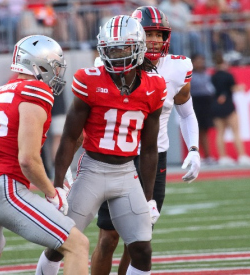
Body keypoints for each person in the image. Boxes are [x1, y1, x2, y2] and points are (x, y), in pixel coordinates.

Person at [35, 15, 166, 275]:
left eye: (123, 48)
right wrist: (58, 187)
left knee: (142, 250)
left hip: (127, 173)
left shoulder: (154, 86)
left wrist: (149, 198)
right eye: (111, 48)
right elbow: (70, 137)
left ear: (137, 48)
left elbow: (150, 149)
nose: (116, 54)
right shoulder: (89, 80)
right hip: (92, 171)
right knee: (59, 242)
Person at [0, 35, 89, 275]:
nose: (57, 73)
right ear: (39, 65)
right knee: (78, 245)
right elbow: (27, 159)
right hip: (3, 190)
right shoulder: (36, 90)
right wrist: (52, 193)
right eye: (55, 67)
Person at [89, 6, 202, 275]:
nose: (154, 40)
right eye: (148, 33)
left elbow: (186, 113)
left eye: (159, 34)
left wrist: (194, 149)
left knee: (138, 242)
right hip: (117, 156)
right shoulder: (111, 62)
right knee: (108, 237)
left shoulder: (178, 67)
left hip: (154, 160)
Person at [211, 52, 250, 166]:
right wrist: (241, 88)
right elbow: (233, 88)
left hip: (216, 106)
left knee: (220, 133)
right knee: (236, 132)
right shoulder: (228, 75)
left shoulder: (213, 76)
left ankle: (222, 157)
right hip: (228, 106)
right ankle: (242, 156)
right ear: (224, 62)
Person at [190, 54, 217, 165]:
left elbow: (211, 88)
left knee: (205, 130)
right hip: (196, 102)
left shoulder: (207, 74)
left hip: (207, 103)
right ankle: (199, 156)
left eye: (202, 61)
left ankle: (207, 156)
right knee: (197, 131)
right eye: (198, 61)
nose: (200, 63)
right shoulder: (190, 75)